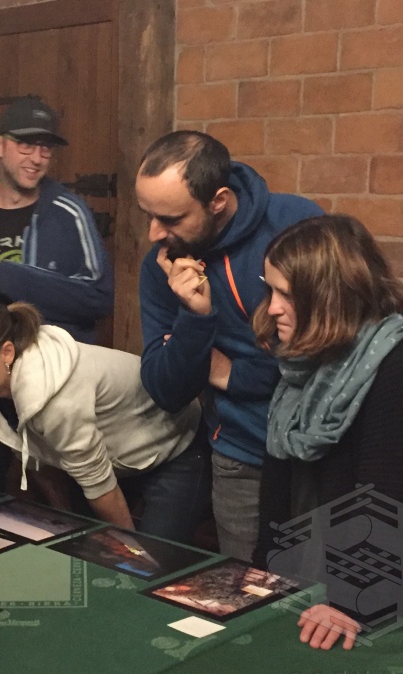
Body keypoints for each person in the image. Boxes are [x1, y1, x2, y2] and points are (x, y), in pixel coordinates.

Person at [251, 214, 403, 649]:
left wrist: (348, 602)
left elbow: (390, 500)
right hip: (309, 579)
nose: (273, 307)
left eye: (287, 295)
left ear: (329, 296)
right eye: (270, 289)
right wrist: (267, 573)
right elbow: (281, 479)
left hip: (390, 603)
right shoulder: (306, 357)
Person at [136, 130, 323, 561]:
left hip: (318, 456)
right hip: (240, 458)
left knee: (321, 591)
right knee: (248, 588)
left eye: (170, 219)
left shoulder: (297, 224)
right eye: (148, 215)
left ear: (218, 200)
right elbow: (166, 390)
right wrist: (195, 319)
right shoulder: (160, 267)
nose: (153, 233)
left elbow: (330, 352)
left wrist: (232, 373)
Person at [0, 295, 210, 543]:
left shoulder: (57, 397)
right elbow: (37, 457)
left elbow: (99, 485)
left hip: (174, 444)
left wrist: (133, 554)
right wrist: (69, 523)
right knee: (85, 548)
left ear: (6, 352)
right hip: (116, 456)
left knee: (155, 561)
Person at [0, 95, 114, 492]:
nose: (37, 158)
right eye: (25, 145)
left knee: (58, 492)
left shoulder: (69, 212)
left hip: (48, 382)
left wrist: (5, 275)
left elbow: (98, 298)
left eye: (46, 148)